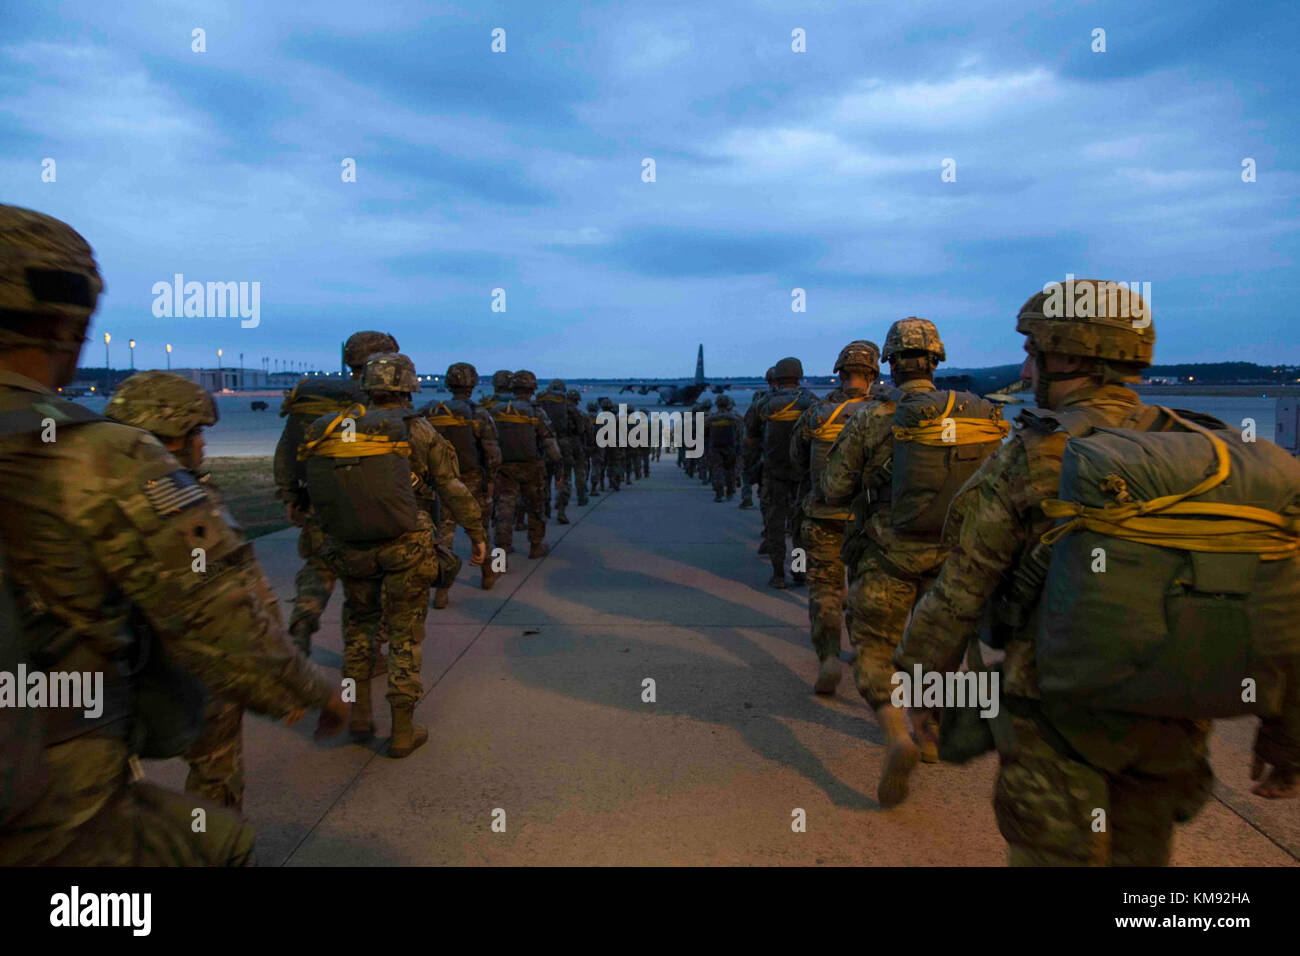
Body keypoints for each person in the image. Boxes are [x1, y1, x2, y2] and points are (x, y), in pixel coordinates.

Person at [895, 282, 1298, 863]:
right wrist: (1286, 735)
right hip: (1170, 725)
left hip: (1056, 719)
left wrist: (922, 685)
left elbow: (960, 590)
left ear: (1069, 356)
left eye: (1034, 351)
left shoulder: (1035, 453)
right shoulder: (1213, 448)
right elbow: (1283, 603)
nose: (1028, 365)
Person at [0, 204, 345, 864]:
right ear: (60, 322)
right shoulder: (96, 458)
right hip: (48, 790)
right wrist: (309, 693)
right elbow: (217, 618)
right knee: (218, 847)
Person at [300, 352, 486, 757]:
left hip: (351, 546)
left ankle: (361, 715)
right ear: (408, 386)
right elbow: (451, 488)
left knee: (359, 629)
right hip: (407, 544)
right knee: (405, 635)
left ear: (367, 385)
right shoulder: (416, 430)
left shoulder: (333, 427)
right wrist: (476, 535)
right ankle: (402, 731)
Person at [274, 329, 396, 669]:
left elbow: (287, 451)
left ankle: (303, 618)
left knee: (319, 566)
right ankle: (367, 653)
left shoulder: (311, 395)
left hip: (318, 500)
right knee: (370, 585)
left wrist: (289, 495)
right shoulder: (384, 397)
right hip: (369, 508)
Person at [789, 340, 879, 694]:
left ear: (840, 373)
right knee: (863, 587)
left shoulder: (816, 414)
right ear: (872, 374)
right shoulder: (885, 413)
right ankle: (863, 651)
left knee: (825, 587)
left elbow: (797, 458)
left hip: (823, 514)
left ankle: (828, 655)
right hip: (868, 520)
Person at [420, 362, 501, 598]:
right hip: (472, 479)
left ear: (448, 383)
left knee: (444, 535)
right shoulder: (479, 414)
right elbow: (492, 453)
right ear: (473, 384)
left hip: (440, 480)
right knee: (481, 528)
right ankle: (488, 573)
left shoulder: (430, 411)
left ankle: (442, 591)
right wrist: (492, 479)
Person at [747, 358, 816, 588]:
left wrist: (750, 467)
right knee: (800, 526)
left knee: (775, 524)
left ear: (776, 378)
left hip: (774, 471)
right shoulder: (811, 402)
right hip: (803, 473)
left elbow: (751, 437)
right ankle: (798, 570)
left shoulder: (765, 403)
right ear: (799, 376)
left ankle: (778, 574)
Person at [488, 370, 563, 558]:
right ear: (532, 389)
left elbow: (489, 442)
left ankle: (502, 552)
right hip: (532, 467)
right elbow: (549, 443)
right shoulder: (536, 411)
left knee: (504, 510)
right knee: (536, 508)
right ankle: (535, 546)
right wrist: (558, 466)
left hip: (504, 468)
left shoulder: (496, 411)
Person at [703, 394, 744, 502]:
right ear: (728, 404)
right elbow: (740, 433)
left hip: (715, 448)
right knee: (730, 471)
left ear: (716, 404)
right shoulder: (735, 418)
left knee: (717, 470)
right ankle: (729, 492)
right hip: (730, 447)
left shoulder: (710, 419)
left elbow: (704, 434)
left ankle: (719, 493)